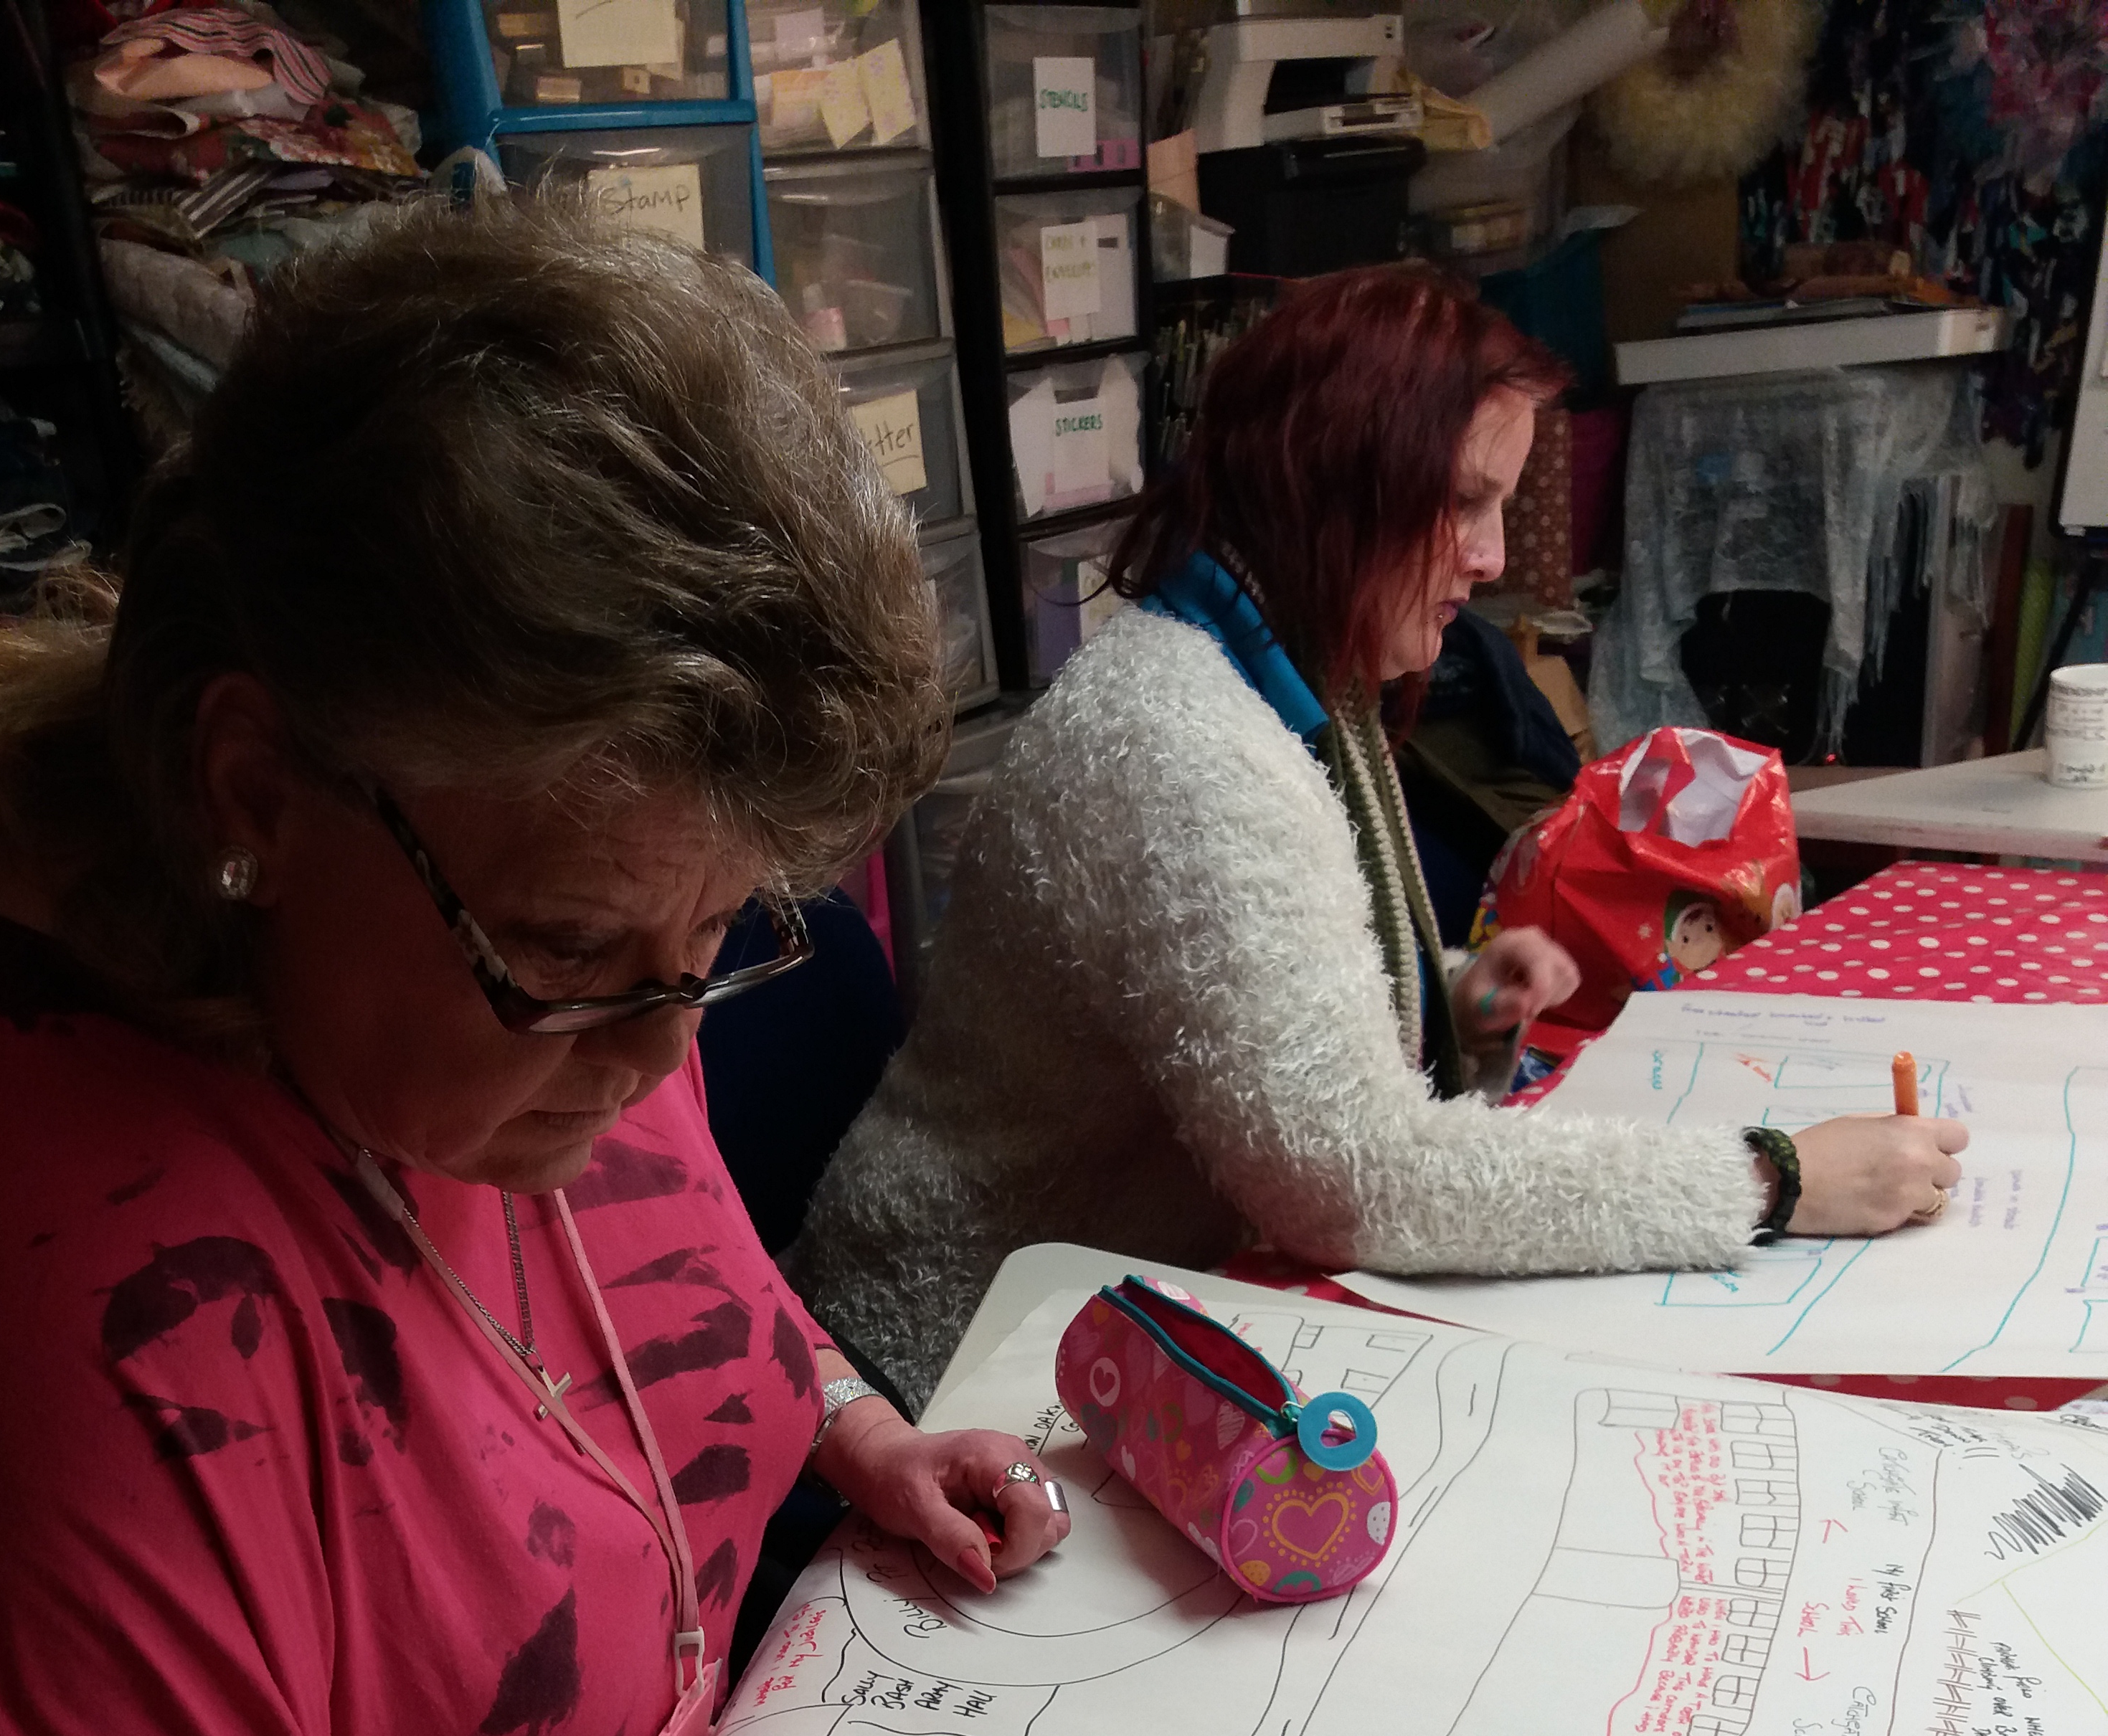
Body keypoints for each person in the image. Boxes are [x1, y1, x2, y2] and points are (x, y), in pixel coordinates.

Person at [0, 203, 1214, 1736]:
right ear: (250, 795)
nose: (660, 1053)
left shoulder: (504, 944)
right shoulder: (80, 1273)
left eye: (719, 948)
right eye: (583, 958)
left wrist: (834, 1420)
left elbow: (647, 1246)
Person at [792, 263, 1969, 1414]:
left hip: (1088, 1307)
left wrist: (1447, 998)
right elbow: (1354, 1182)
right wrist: (1773, 1179)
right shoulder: (1181, 742)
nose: (1492, 558)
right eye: (1462, 502)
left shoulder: (1266, 676)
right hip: (947, 1363)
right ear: (1328, 483)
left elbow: (1238, 1010)